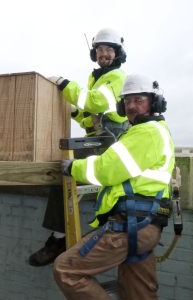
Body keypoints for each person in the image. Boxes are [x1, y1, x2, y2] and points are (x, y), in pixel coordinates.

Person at [53, 73, 175, 300]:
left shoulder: (146, 133)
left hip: (132, 225)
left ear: (154, 102)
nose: (131, 106)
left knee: (67, 269)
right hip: (144, 226)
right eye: (127, 101)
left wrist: (73, 168)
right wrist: (78, 114)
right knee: (138, 294)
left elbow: (105, 170)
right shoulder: (153, 131)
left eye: (139, 100)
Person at [29, 28, 129, 267]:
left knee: (66, 170)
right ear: (95, 53)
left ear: (117, 54)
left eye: (109, 50)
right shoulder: (96, 78)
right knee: (64, 168)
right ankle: (60, 237)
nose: (103, 54)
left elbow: (96, 101)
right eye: (100, 50)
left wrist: (64, 84)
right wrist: (74, 111)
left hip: (109, 145)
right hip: (98, 140)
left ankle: (58, 239)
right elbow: (89, 116)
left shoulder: (116, 77)